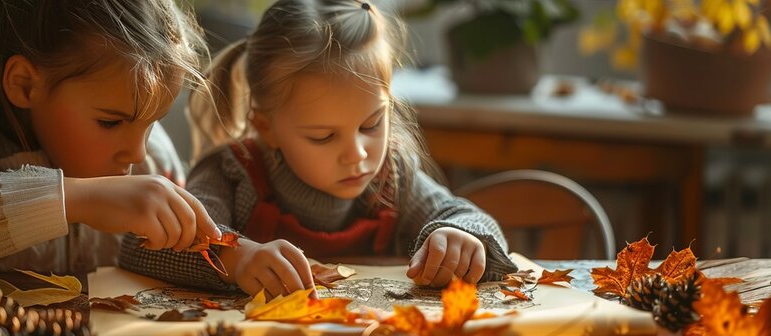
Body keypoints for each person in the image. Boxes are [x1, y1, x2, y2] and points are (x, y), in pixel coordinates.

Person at [120, 0, 518, 297]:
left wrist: (459, 234)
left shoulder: (391, 176)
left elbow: (468, 216)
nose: (358, 155)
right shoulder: (233, 172)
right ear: (266, 126)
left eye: (372, 124)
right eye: (323, 137)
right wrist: (236, 257)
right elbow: (144, 247)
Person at [0, 0, 220, 276]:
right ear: (25, 84)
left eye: (152, 122)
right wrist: (74, 199)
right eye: (110, 123)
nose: (136, 152)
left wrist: (234, 260)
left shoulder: (156, 164)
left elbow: (183, 252)